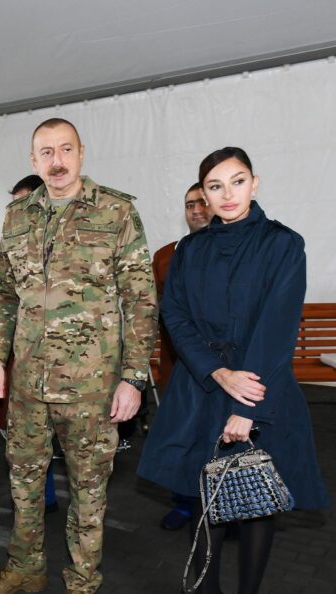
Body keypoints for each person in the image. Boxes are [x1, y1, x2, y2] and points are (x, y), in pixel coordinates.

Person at [137, 147, 329, 594]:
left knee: (254, 502)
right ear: (203, 193)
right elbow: (174, 316)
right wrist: (214, 371)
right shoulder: (190, 250)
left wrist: (247, 407)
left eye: (236, 181)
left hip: (258, 388)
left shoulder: (283, 244)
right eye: (214, 186)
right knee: (204, 498)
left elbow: (278, 326)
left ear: (254, 183)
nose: (226, 194)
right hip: (203, 387)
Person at [0, 118, 157, 594]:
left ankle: (80, 587)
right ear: (33, 160)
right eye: (46, 152)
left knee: (88, 490)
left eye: (65, 150)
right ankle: (25, 566)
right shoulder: (17, 216)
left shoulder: (116, 211)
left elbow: (141, 300)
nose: (56, 161)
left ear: (81, 153)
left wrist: (133, 378)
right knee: (24, 481)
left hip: (92, 386)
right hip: (28, 384)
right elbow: (5, 295)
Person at [0, 174, 60, 514]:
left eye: (24, 202)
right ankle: (38, 496)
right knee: (23, 434)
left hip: (65, 364)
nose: (19, 210)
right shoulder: (12, 240)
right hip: (20, 356)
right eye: (14, 204)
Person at [154, 183, 211, 531]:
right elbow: (152, 305)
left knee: (219, 439)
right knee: (181, 437)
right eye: (190, 205)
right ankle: (185, 504)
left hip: (221, 369)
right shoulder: (165, 256)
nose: (197, 210)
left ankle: (224, 508)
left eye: (203, 203)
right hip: (177, 365)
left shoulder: (234, 254)